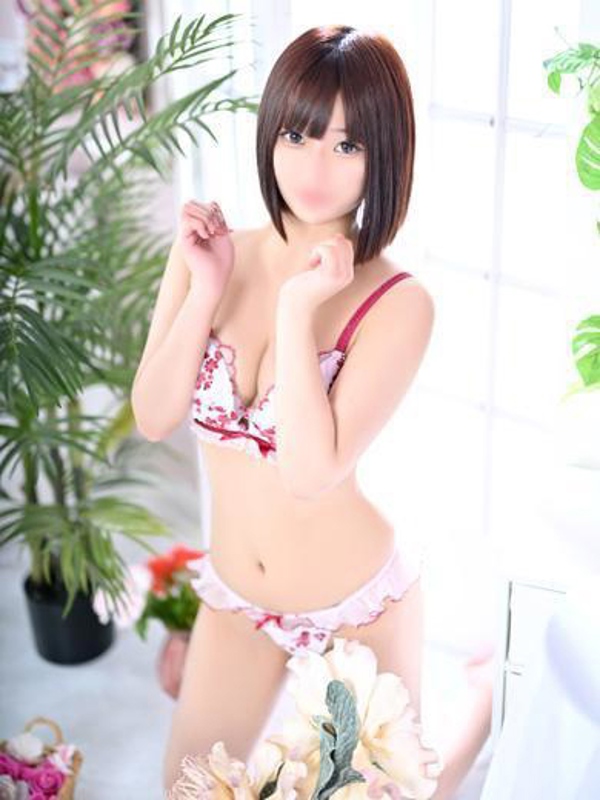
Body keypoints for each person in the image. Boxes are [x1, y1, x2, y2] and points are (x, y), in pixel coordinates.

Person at [131, 23, 493, 798]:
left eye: (347, 144)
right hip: (236, 598)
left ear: (384, 153)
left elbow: (307, 473)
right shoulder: (209, 253)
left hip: (356, 605)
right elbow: (155, 416)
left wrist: (298, 312)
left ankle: (486, 702)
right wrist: (203, 289)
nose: (314, 166)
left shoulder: (399, 304)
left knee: (395, 793)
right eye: (297, 134)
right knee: (184, 790)